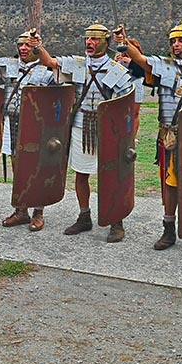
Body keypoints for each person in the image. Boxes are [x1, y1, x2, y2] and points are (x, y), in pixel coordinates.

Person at [117, 23, 182, 254]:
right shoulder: (164, 67)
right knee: (169, 185)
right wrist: (125, 45)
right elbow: (141, 60)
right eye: (174, 41)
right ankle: (168, 229)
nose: (176, 45)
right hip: (168, 136)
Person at [33, 23, 136, 243]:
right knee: (81, 173)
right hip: (81, 125)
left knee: (112, 176)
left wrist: (128, 135)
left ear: (105, 42)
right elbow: (50, 63)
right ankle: (84, 216)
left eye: (95, 39)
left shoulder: (115, 70)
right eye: (87, 39)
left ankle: (116, 221)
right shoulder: (77, 64)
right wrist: (38, 46)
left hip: (108, 130)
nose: (90, 43)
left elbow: (126, 105)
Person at [0, 28, 57, 232]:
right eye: (21, 44)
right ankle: (21, 210)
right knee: (17, 165)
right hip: (12, 122)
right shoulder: (8, 66)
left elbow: (58, 97)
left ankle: (38, 212)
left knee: (36, 166)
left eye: (28, 44)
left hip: (36, 125)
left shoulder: (47, 70)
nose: (24, 48)